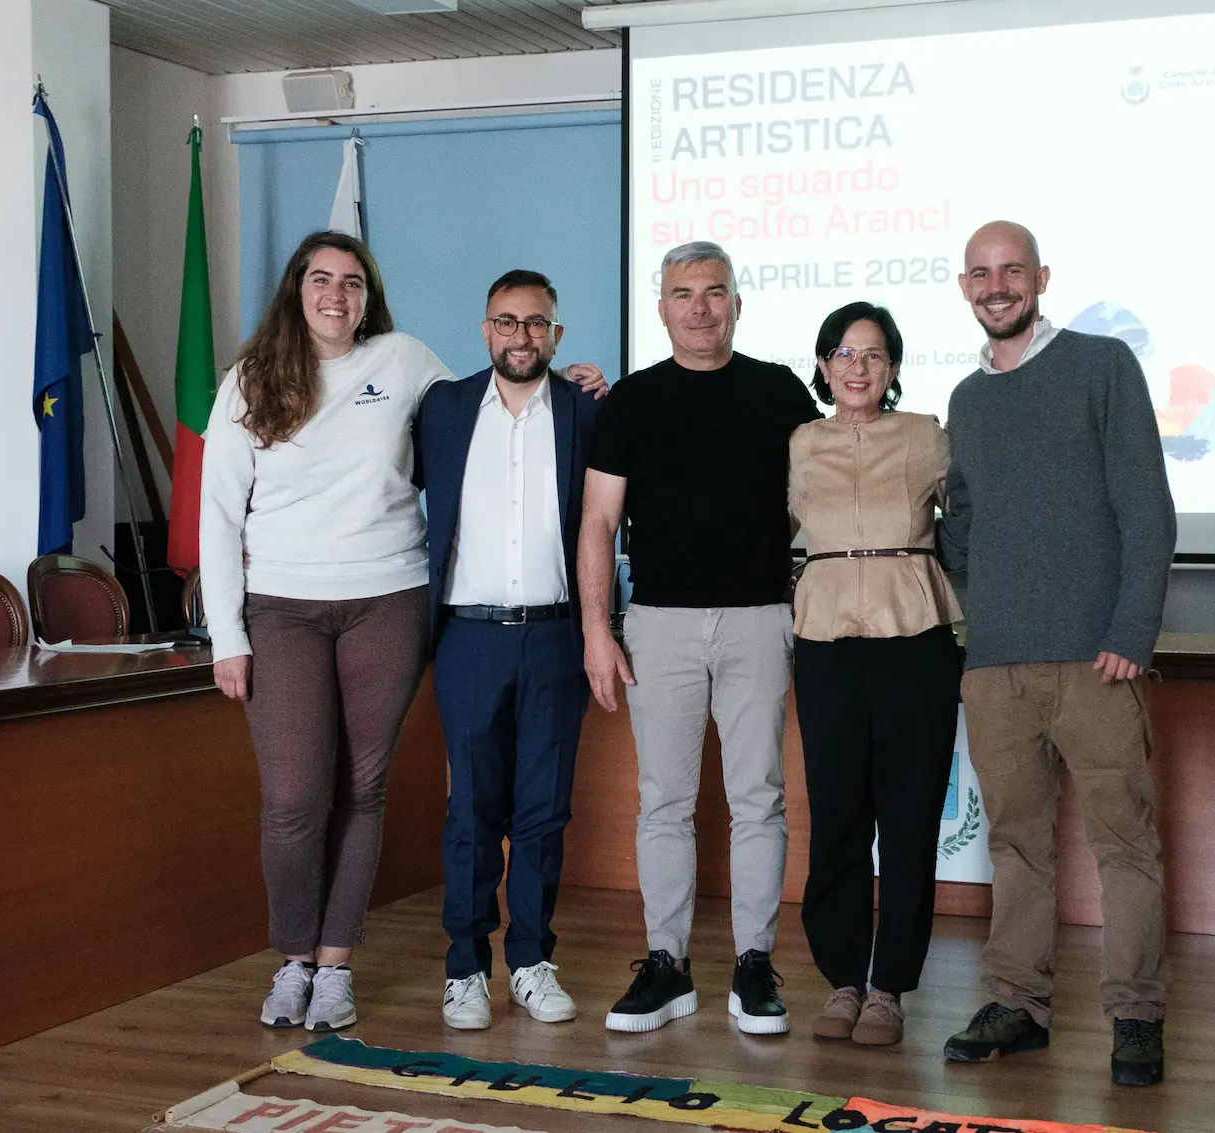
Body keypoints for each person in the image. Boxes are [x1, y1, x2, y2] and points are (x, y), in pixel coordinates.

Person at [200, 232, 602, 1033]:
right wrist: (226, 635)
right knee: (293, 797)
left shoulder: (409, 362)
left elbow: (498, 415)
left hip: (389, 600)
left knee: (362, 790)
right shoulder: (250, 379)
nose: (336, 295)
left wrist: (575, 383)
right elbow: (216, 514)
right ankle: (294, 959)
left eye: (352, 281)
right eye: (321, 279)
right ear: (297, 289)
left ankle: (338, 966)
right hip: (281, 606)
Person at [937, 221, 1177, 1086]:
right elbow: (962, 520)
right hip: (996, 662)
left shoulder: (1102, 366)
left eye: (1012, 271)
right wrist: (983, 599)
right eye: (981, 273)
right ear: (965, 286)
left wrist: (1129, 632)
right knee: (1015, 844)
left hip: (1096, 658)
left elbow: (1149, 509)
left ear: (1041, 277)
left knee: (1125, 844)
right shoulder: (966, 401)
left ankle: (1137, 1015)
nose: (997, 285)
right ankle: (1018, 1003)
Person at [579, 240, 821, 1035]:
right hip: (660, 626)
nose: (700, 307)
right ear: (662, 307)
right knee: (664, 804)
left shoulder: (780, 390)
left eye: (715, 292)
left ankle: (754, 966)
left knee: (759, 799)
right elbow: (598, 520)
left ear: (737, 303)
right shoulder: (633, 402)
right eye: (684, 293)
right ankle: (667, 965)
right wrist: (595, 629)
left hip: (758, 620)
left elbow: (807, 499)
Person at [414, 270, 601, 1030]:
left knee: (543, 812)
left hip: (556, 636)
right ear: (485, 329)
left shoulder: (587, 409)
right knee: (470, 812)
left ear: (556, 334)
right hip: (468, 638)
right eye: (505, 322)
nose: (520, 336)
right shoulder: (444, 408)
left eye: (535, 323)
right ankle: (465, 969)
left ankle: (530, 959)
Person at [788, 302, 962, 1047]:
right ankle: (842, 979)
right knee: (836, 813)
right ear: (823, 365)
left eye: (873, 355)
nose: (857, 368)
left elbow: (979, 519)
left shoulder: (926, 435)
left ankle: (890, 984)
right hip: (824, 637)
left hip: (915, 634)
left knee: (911, 813)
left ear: (892, 368)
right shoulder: (797, 442)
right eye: (843, 354)